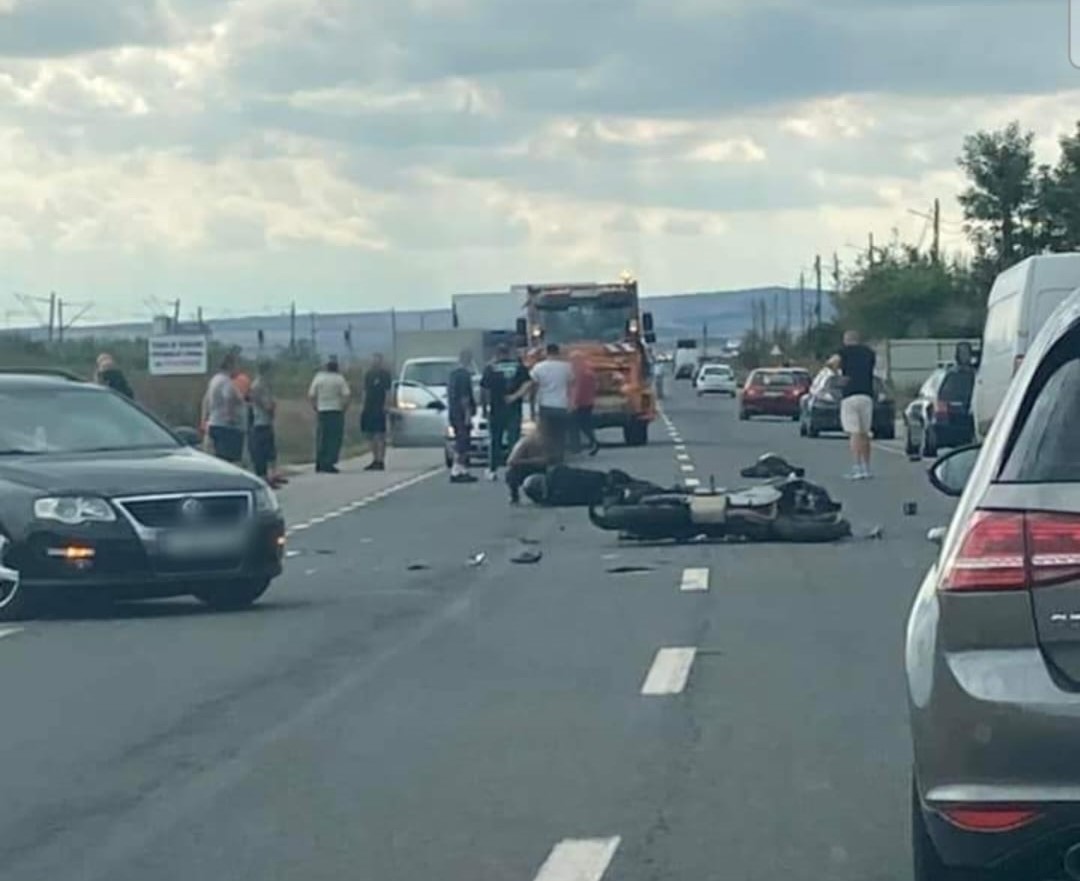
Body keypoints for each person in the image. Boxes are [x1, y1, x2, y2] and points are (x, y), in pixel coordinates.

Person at [827, 330, 877, 480]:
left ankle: (857, 467)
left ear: (846, 340)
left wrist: (838, 375)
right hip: (867, 394)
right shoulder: (869, 353)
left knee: (854, 432)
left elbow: (831, 363)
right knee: (865, 433)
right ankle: (867, 468)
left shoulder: (843, 352)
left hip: (850, 395)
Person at [481, 343, 531, 480]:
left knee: (495, 441)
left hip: (496, 408)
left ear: (496, 354)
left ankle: (492, 470)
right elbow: (528, 384)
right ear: (508, 353)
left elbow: (485, 390)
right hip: (514, 408)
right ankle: (513, 468)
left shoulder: (490, 368)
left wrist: (485, 409)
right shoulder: (519, 367)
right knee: (513, 440)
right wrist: (515, 396)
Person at [523, 343, 573, 460]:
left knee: (546, 434)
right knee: (560, 433)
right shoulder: (567, 367)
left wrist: (531, 406)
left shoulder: (538, 367)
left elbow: (532, 386)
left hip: (545, 405)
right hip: (562, 405)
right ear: (558, 352)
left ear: (546, 352)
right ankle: (560, 456)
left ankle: (548, 456)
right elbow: (571, 385)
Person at [308, 355, 351, 474]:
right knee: (334, 438)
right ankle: (329, 462)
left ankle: (320, 461)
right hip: (336, 410)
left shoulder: (318, 377)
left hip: (322, 410)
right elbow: (346, 395)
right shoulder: (339, 379)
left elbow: (311, 395)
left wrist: (315, 407)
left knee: (322, 437)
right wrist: (344, 409)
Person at [202, 351, 246, 464]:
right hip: (227, 428)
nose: (238, 368)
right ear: (230, 365)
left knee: (218, 460)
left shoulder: (215, 379)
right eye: (237, 365)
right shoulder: (226, 382)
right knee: (230, 462)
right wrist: (230, 418)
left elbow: (206, 400)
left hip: (215, 423)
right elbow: (229, 399)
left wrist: (204, 419)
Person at [248, 359, 283, 485]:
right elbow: (264, 404)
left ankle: (272, 475)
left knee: (270, 450)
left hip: (266, 421)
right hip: (260, 421)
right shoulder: (257, 385)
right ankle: (263, 477)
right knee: (261, 450)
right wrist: (271, 407)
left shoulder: (265, 384)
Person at [447, 349, 478, 483]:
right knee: (463, 442)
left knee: (461, 440)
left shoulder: (453, 375)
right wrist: (467, 414)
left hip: (453, 412)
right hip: (461, 413)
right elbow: (464, 397)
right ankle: (456, 470)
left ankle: (463, 470)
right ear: (468, 359)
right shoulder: (464, 375)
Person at [360, 352, 393, 472]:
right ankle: (374, 459)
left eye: (377, 360)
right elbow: (365, 390)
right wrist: (363, 406)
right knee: (370, 434)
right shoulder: (368, 374)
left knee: (380, 435)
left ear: (381, 361)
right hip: (369, 407)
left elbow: (388, 391)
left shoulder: (385, 375)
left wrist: (387, 405)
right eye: (374, 360)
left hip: (380, 407)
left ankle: (381, 460)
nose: (375, 362)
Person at [505, 431, 550, 504]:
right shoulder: (524, 443)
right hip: (524, 468)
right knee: (511, 473)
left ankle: (543, 495)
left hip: (541, 470)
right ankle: (514, 494)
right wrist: (533, 461)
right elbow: (510, 461)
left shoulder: (549, 444)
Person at [570, 352, 600, 456]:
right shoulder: (589, 372)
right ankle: (592, 443)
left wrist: (573, 402)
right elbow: (595, 387)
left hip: (580, 403)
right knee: (585, 424)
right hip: (589, 402)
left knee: (575, 425)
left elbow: (577, 389)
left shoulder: (580, 373)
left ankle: (579, 447)